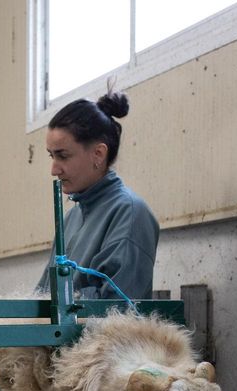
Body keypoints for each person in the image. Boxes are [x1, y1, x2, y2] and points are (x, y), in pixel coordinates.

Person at [35, 90, 158, 301]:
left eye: (63, 156)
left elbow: (116, 305)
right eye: (51, 156)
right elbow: (43, 296)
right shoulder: (71, 219)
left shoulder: (129, 213)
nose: (54, 170)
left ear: (98, 154)